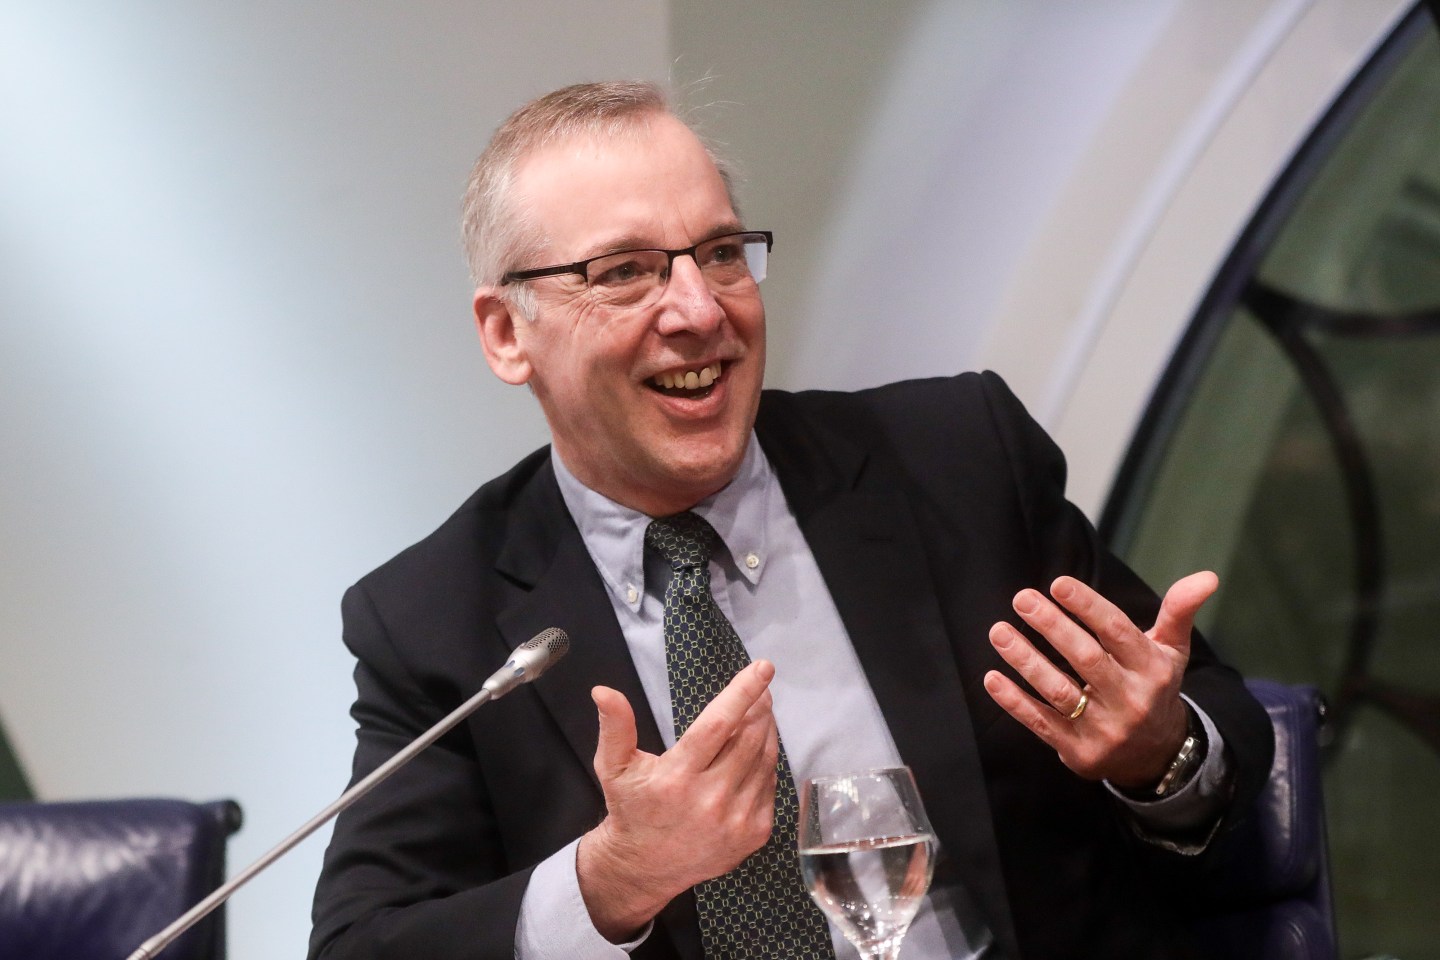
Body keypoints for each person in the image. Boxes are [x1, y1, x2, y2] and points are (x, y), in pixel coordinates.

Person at [308, 81, 1273, 960]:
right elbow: (363, 946)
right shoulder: (438, 617)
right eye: (628, 272)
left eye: (721, 253)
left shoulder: (954, 461)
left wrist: (1160, 755)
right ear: (507, 333)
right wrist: (608, 883)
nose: (699, 310)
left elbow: (1212, 729)